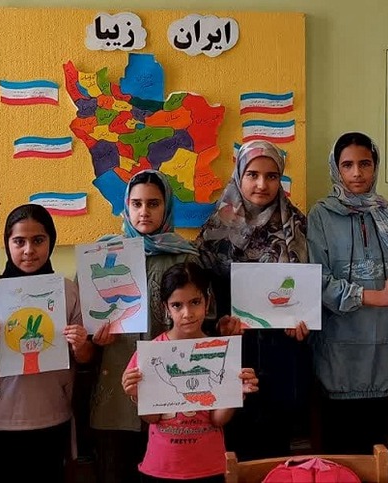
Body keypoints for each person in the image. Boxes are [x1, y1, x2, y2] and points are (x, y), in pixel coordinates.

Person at [89, 169, 206, 482]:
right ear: (126, 206)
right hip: (116, 386)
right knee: (116, 469)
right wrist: (93, 337)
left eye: (153, 204)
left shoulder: (186, 259)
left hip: (171, 389)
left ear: (166, 207)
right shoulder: (103, 255)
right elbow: (85, 324)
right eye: (136, 204)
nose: (144, 212)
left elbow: (201, 321)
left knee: (165, 472)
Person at [196, 140, 310, 459]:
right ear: (239, 175)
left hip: (282, 353)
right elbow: (201, 294)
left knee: (277, 450)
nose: (262, 184)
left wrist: (304, 324)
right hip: (232, 352)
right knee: (233, 448)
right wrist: (216, 323)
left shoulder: (297, 226)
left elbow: (308, 291)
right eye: (253, 174)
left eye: (272, 176)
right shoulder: (215, 230)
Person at [0, 203, 93, 483]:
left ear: (51, 241)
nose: (29, 250)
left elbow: (86, 357)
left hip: (51, 416)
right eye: (19, 241)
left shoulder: (68, 292)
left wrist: (80, 344)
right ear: (7, 243)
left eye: (38, 240)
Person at [307, 132, 388, 454]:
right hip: (337, 356)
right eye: (347, 165)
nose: (357, 173)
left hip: (383, 356)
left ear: (375, 166)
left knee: (378, 454)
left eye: (365, 164)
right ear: (335, 168)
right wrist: (374, 296)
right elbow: (317, 281)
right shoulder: (321, 216)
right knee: (340, 457)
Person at [121, 261, 259, 483]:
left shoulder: (220, 352)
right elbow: (152, 418)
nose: (187, 313)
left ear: (207, 302)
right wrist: (137, 395)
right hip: (161, 466)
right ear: (166, 308)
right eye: (177, 305)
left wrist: (235, 392)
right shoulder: (151, 354)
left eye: (195, 302)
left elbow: (218, 420)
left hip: (209, 467)